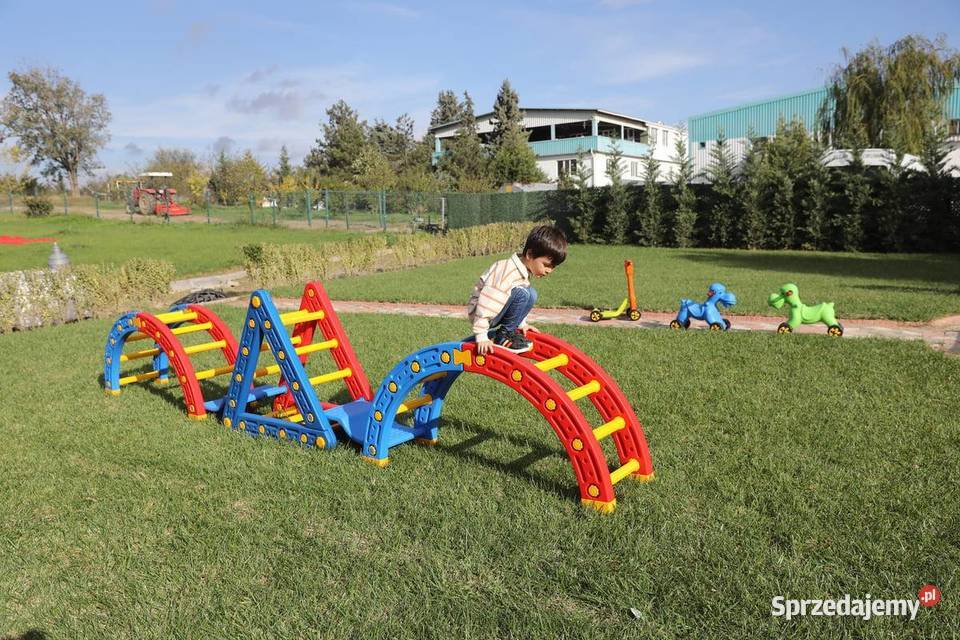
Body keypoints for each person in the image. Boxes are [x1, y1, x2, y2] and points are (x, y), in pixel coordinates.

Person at [467, 224, 567, 355]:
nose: (549, 271)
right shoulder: (507, 272)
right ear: (530, 254)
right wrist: (481, 336)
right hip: (481, 313)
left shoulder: (521, 270)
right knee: (523, 293)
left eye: (553, 267)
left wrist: (521, 324)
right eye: (546, 265)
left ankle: (510, 329)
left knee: (531, 293)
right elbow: (487, 302)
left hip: (495, 312)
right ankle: (503, 335)